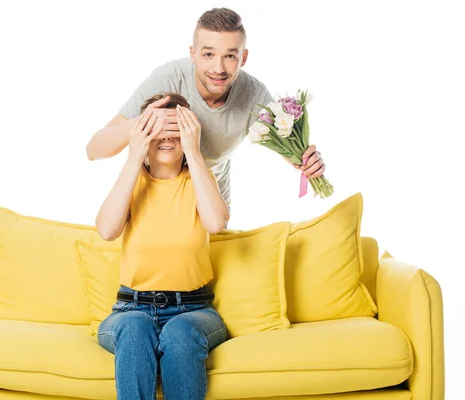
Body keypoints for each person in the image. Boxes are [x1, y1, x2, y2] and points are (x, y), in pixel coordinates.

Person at [86, 7, 326, 210]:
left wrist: (307, 162)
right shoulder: (168, 79)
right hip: (155, 198)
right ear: (193, 54)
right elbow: (94, 150)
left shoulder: (255, 96)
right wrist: (140, 123)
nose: (218, 68)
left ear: (243, 58)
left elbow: (290, 150)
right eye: (208, 54)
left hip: (210, 201)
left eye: (230, 56)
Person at [95, 92, 228, 400]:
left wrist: (194, 153)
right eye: (157, 130)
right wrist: (132, 155)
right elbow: (106, 229)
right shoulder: (132, 180)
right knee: (135, 326)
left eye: (176, 131)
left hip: (194, 309)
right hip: (130, 308)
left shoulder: (200, 179)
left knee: (180, 333)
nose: (166, 138)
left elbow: (215, 223)